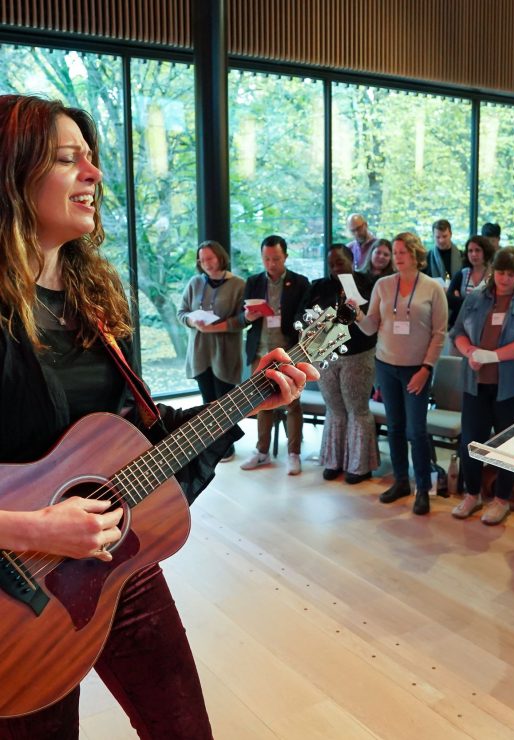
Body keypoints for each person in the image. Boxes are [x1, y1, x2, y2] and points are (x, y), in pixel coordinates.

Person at [0, 94, 316, 738]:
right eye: (68, 160)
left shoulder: (89, 302)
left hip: (118, 567)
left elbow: (131, 437)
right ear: (11, 173)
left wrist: (249, 396)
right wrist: (33, 526)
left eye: (92, 160)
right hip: (13, 596)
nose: (93, 175)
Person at [353, 232, 447, 515]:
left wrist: (426, 369)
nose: (396, 256)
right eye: (394, 252)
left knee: (416, 431)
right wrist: (355, 313)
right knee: (394, 428)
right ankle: (400, 482)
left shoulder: (432, 288)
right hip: (386, 364)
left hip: (417, 369)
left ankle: (422, 490)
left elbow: (440, 334)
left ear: (416, 254)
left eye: (402, 252)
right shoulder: (382, 285)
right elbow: (370, 327)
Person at [449, 247, 514, 524]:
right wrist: (471, 353)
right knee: (471, 440)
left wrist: (493, 356)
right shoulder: (477, 297)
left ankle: (502, 499)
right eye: (500, 273)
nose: (504, 279)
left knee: (507, 443)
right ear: (493, 272)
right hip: (476, 381)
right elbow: (457, 333)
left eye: (511, 275)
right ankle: (472, 493)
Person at [306, 244, 379, 483]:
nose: (336, 268)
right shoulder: (319, 286)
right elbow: (303, 317)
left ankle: (359, 465)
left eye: (340, 263)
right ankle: (334, 460)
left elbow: (373, 320)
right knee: (335, 409)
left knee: (357, 410)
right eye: (331, 264)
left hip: (358, 354)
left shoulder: (368, 283)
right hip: (327, 355)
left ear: (352, 261)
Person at [240, 235, 310, 475]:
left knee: (292, 404)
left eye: (276, 259)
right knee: (261, 403)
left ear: (286, 257)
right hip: (261, 352)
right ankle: (262, 452)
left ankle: (294, 453)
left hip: (289, 352)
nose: (271, 264)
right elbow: (243, 317)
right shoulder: (253, 281)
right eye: (267, 259)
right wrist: (248, 317)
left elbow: (305, 318)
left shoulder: (300, 283)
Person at [177, 240, 245, 461]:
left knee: (225, 402)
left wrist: (220, 326)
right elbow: (181, 313)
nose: (206, 263)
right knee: (207, 404)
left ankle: (228, 446)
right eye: (202, 259)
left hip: (225, 352)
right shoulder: (195, 282)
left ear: (220, 257)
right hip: (200, 352)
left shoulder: (238, 284)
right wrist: (192, 322)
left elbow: (244, 318)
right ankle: (213, 446)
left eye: (210, 258)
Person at [446, 235, 496, 328]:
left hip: (485, 327)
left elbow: (493, 304)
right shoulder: (462, 274)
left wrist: (461, 300)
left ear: (485, 252)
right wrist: (478, 303)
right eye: (470, 251)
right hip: (460, 326)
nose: (473, 254)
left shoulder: (494, 277)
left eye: (477, 250)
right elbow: (449, 299)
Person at [425, 219, 464, 284]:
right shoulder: (426, 258)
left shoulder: (462, 256)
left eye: (444, 236)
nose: (441, 240)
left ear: (451, 235)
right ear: (433, 237)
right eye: (438, 237)